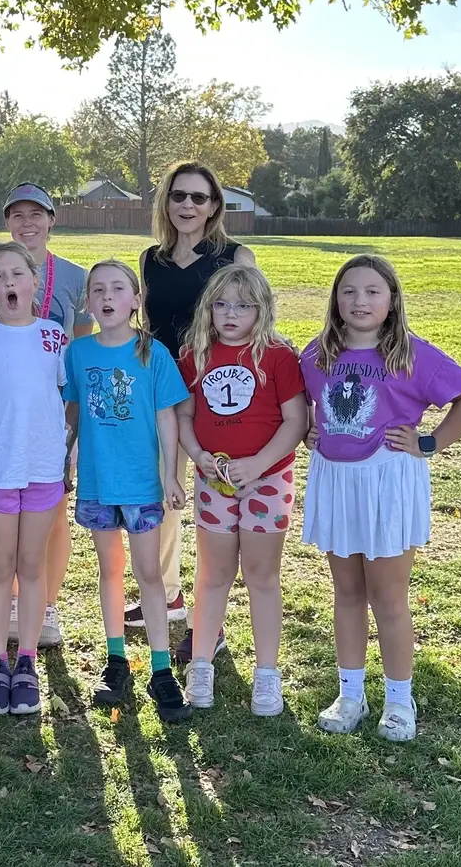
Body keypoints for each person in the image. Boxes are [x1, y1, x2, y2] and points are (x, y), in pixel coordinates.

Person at [301, 255, 461, 741]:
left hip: (386, 482)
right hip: (337, 482)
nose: (359, 300)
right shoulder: (317, 353)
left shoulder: (410, 354)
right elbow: (302, 406)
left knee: (388, 598)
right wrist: (308, 432)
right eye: (349, 291)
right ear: (336, 301)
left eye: (372, 291)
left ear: (391, 301)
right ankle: (351, 694)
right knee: (346, 593)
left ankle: (400, 700)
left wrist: (430, 443)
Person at [0, 181, 93, 648]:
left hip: (50, 429)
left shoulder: (76, 277)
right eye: (17, 215)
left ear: (52, 219)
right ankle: (11, 609)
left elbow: (78, 354)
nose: (28, 223)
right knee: (4, 549)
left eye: (36, 214)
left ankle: (46, 605)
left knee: (52, 522)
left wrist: (72, 430)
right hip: (3, 441)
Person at [137, 161, 256, 664]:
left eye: (199, 198)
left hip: (218, 388)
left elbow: (257, 314)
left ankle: (214, 623)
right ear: (165, 201)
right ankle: (165, 594)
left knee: (214, 506)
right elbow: (147, 323)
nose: (188, 205)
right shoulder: (150, 259)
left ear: (214, 206)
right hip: (163, 387)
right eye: (178, 196)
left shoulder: (233, 256)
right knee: (162, 490)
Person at [64, 260, 192, 723]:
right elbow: (74, 411)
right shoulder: (78, 353)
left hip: (141, 483)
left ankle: (161, 670)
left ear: (136, 300)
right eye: (98, 289)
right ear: (89, 301)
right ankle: (116, 659)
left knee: (149, 575)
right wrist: (65, 456)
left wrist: (171, 476)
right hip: (98, 483)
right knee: (109, 572)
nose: (107, 296)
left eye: (118, 288)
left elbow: (167, 417)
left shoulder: (152, 352)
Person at [175, 264, 307, 715]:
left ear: (261, 310)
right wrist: (196, 454)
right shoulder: (195, 354)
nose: (231, 314)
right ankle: (202, 664)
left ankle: (267, 674)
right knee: (212, 575)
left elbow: (296, 421)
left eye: (244, 306)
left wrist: (259, 465)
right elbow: (186, 417)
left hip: (267, 481)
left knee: (261, 576)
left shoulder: (277, 356)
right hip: (215, 480)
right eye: (222, 304)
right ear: (208, 307)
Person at [0, 241, 68, 716]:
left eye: (17, 274)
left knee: (32, 566)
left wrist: (70, 447)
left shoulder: (54, 335)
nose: (8, 283)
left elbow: (65, 396)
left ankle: (27, 662)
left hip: (43, 466)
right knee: (0, 565)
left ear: (34, 282)